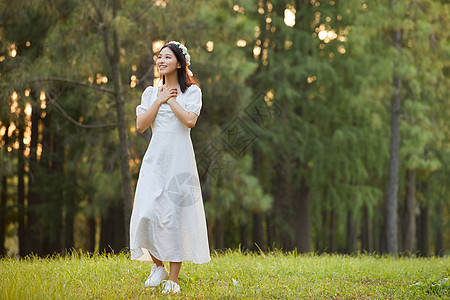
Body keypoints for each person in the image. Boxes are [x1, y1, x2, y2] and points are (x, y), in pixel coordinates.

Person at [130, 41, 210, 294]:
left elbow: (189, 121)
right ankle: (158, 266)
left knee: (174, 216)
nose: (161, 60)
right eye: (159, 56)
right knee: (146, 212)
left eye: (167, 57)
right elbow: (141, 125)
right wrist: (159, 99)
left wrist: (171, 100)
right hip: (155, 160)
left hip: (180, 160)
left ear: (178, 63)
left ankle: (173, 280)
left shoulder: (192, 92)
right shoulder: (150, 92)